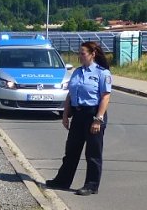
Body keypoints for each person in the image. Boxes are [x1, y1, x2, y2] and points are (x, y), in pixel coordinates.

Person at [45, 41, 112, 195]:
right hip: (78, 114)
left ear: (92, 54)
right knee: (71, 150)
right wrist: (65, 114)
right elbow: (70, 94)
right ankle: (62, 180)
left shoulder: (102, 73)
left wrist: (98, 119)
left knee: (93, 153)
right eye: (79, 53)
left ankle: (91, 185)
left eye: (83, 53)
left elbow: (105, 97)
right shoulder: (77, 72)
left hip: (93, 114)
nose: (80, 56)